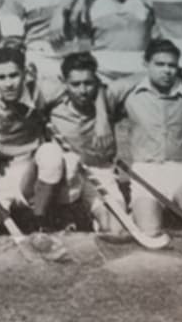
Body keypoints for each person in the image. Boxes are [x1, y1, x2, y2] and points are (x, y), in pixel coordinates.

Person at [0, 47, 80, 248]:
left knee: (52, 154)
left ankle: (40, 224)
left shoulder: (41, 89)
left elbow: (92, 87)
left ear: (24, 73)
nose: (8, 83)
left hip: (32, 174)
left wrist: (103, 115)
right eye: (1, 77)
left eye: (14, 75)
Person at [104, 39, 182, 240]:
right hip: (147, 170)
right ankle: (141, 212)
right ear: (146, 64)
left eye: (172, 65)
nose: (166, 71)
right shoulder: (130, 91)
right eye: (159, 64)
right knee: (150, 232)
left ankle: (169, 210)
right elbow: (101, 100)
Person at [42, 52, 124, 237]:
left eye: (88, 83)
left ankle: (91, 218)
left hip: (100, 172)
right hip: (66, 177)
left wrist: (102, 115)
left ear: (96, 81)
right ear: (64, 83)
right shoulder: (54, 102)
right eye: (75, 84)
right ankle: (66, 213)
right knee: (67, 162)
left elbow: (138, 78)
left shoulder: (108, 99)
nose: (83, 90)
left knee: (114, 230)